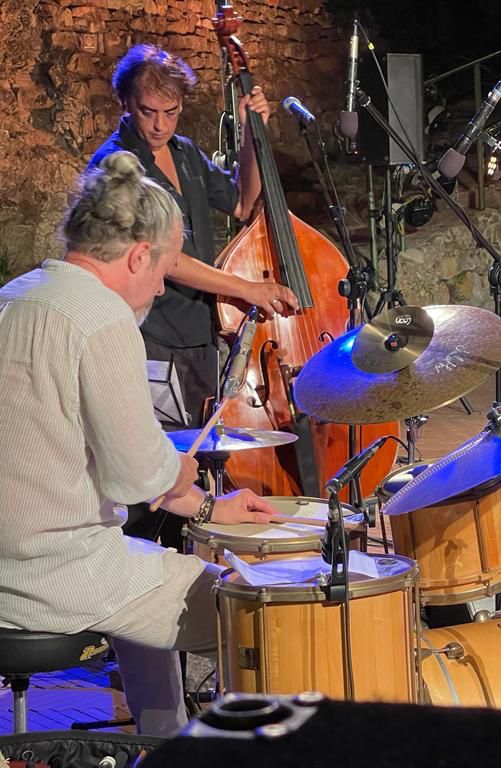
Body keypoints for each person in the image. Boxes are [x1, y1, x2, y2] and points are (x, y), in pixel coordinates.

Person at [0, 151, 278, 736]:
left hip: (16, 561)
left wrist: (206, 505)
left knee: (147, 573)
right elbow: (137, 477)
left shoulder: (15, 295)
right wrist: (178, 471)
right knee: (259, 607)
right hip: (50, 579)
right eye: (166, 267)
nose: (161, 283)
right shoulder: (102, 319)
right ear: (137, 256)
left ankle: (162, 739)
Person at [89, 44, 298, 544]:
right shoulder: (117, 164)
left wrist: (251, 134)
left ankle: (187, 557)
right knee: (156, 467)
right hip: (155, 332)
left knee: (196, 459)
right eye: (148, 112)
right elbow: (168, 258)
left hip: (199, 330)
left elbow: (244, 203)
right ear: (125, 104)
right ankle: (145, 557)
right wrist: (247, 289)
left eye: (171, 112)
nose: (159, 124)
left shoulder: (184, 152)